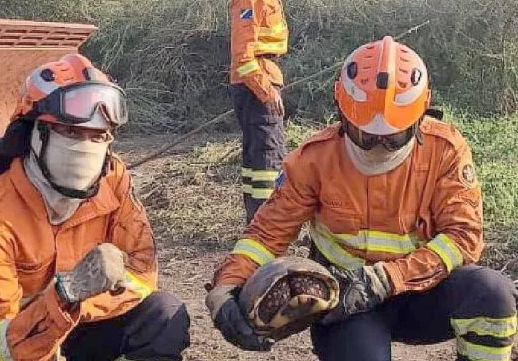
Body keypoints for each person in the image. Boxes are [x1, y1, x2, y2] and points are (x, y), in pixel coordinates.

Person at [206, 36, 518, 360]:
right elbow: (265, 236)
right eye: (365, 135)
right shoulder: (313, 160)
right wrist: (227, 285)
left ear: (421, 115)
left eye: (393, 136)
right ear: (342, 112)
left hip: (425, 292)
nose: (378, 147)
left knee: (491, 293)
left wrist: (385, 279)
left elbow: (463, 237)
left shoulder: (445, 151)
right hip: (346, 304)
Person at [0, 53, 190, 361]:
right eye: (70, 133)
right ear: (34, 134)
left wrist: (76, 307)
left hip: (71, 326)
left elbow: (142, 273)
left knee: (163, 317)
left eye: (97, 136)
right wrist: (67, 293)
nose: (85, 148)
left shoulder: (114, 180)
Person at [229, 0, 300, 223]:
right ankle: (266, 227)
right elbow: (243, 54)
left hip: (263, 77)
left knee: (256, 163)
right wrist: (265, 90)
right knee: (268, 159)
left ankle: (256, 224)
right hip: (256, 82)